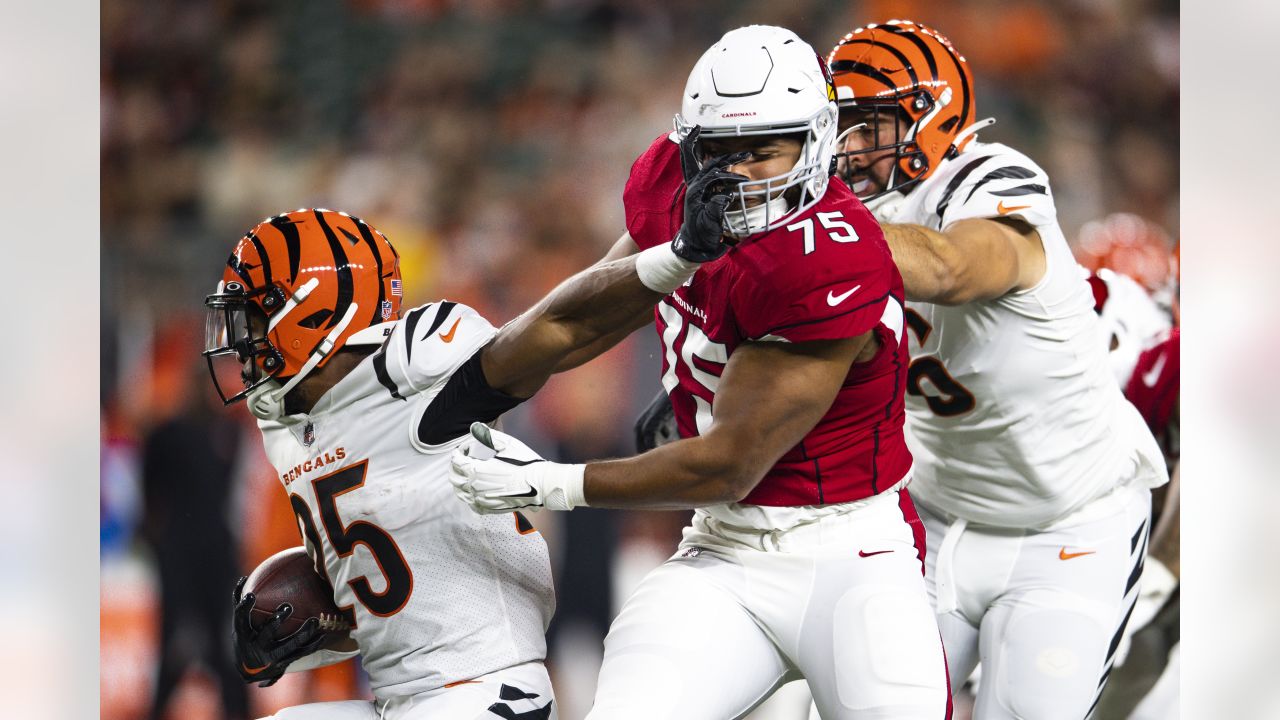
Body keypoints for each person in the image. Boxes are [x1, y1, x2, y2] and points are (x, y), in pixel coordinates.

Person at [449, 25, 951, 720]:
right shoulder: (673, 183)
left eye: (762, 150)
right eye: (717, 152)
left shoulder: (832, 252)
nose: (735, 173)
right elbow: (589, 312)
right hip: (724, 549)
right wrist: (467, 385)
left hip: (852, 554)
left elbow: (729, 462)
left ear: (816, 141)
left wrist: (553, 484)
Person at [203, 200, 739, 719]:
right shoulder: (290, 422)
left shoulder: (413, 376)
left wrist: (676, 256)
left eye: (254, 317)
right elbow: (398, 590)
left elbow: (564, 326)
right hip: (402, 698)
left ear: (312, 311)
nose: (242, 343)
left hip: (483, 693)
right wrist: (311, 624)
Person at [825, 19, 1168, 720]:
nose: (849, 146)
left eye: (871, 124)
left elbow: (951, 268)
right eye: (842, 125)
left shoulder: (993, 178)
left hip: (1069, 525)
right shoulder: (838, 210)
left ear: (930, 119)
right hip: (932, 518)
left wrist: (807, 236)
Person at [141, 362, 249, 720]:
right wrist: (159, 542)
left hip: (214, 553)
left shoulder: (228, 433)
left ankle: (237, 711)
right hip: (183, 554)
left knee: (225, 645)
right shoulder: (169, 433)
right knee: (178, 640)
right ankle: (161, 710)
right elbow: (149, 492)